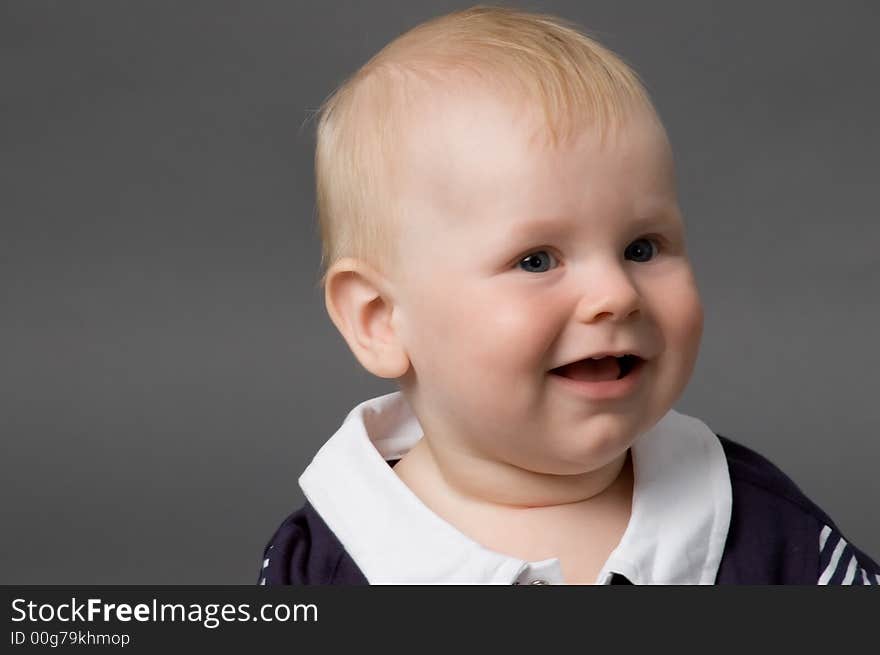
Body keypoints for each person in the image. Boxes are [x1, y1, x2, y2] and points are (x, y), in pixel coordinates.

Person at [258, 5, 879, 584]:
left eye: (642, 248)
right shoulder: (333, 558)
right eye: (535, 260)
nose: (615, 294)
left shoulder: (763, 532)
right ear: (381, 320)